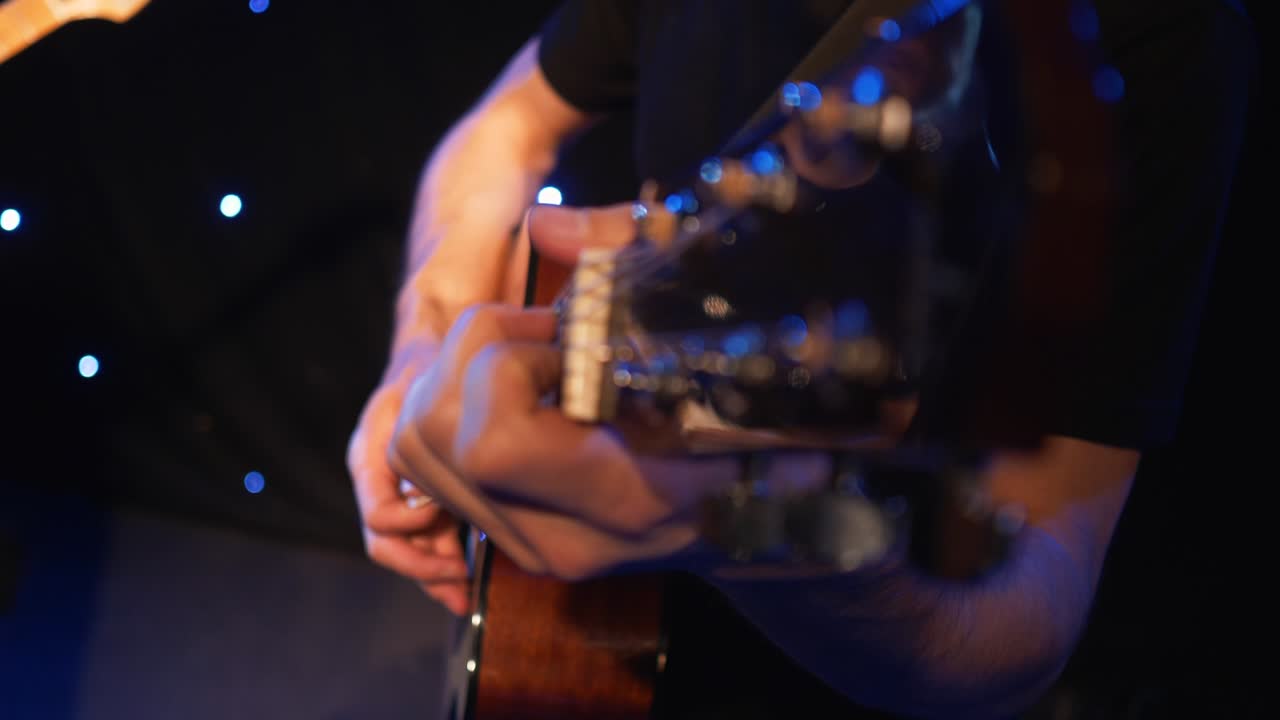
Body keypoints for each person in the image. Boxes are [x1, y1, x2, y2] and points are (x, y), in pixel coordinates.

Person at [346, 1, 1254, 717]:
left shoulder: (1159, 32)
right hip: (590, 636)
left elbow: (1029, 613)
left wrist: (751, 536)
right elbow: (509, 123)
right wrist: (426, 346)